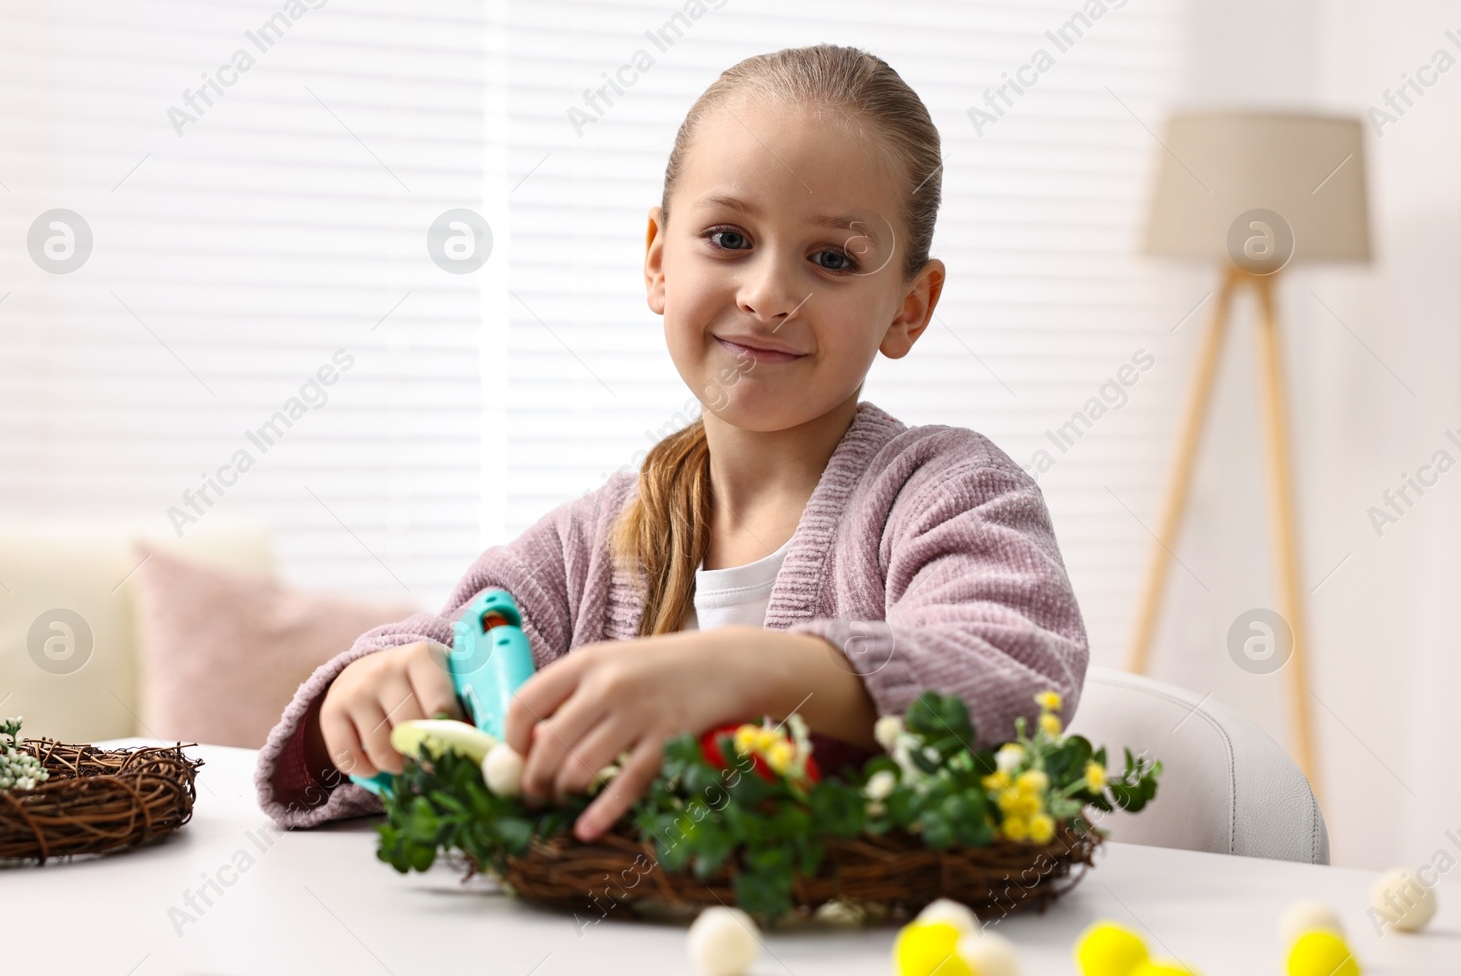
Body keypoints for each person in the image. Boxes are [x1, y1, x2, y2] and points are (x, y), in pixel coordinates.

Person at [255, 43, 1088, 842]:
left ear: (911, 306)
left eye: (833, 257)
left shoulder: (949, 491)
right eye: (729, 238)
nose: (767, 294)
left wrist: (743, 672)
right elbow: (449, 650)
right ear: (658, 261)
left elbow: (1014, 665)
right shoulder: (592, 543)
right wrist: (368, 698)